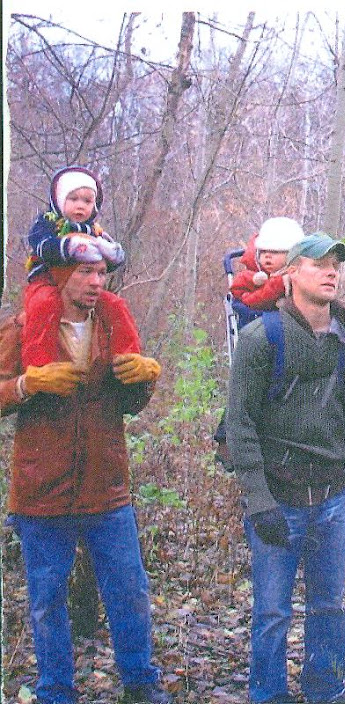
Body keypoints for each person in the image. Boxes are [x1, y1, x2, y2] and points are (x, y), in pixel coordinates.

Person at [226, 233, 345, 703]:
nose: (330, 270)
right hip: (279, 497)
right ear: (291, 272)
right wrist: (259, 502)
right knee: (272, 612)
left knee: (328, 608)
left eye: (336, 263)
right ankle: (268, 696)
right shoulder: (262, 339)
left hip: (334, 498)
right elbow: (239, 426)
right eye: (318, 262)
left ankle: (326, 691)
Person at [0, 258, 169, 704]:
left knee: (129, 589)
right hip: (41, 489)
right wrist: (26, 384)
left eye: (100, 274)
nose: (95, 282)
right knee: (46, 599)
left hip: (106, 486)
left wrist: (146, 377)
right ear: (58, 275)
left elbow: (130, 405)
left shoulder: (112, 323)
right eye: (83, 272)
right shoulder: (24, 327)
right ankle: (56, 690)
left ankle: (140, 683)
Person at [22, 165, 139, 370]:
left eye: (87, 201)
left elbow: (115, 257)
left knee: (114, 304)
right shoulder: (49, 222)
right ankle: (40, 367)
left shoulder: (94, 230)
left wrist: (109, 250)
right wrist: (69, 247)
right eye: (73, 199)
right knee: (44, 304)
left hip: (78, 288)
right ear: (59, 200)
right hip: (44, 281)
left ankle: (128, 359)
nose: (80, 206)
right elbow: (40, 245)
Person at [214, 217, 305, 469]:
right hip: (259, 339)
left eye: (276, 253)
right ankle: (229, 442)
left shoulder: (301, 279)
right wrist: (275, 287)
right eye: (264, 252)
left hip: (293, 351)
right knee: (247, 393)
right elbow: (244, 302)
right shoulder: (251, 278)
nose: (268, 257)